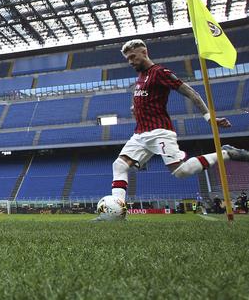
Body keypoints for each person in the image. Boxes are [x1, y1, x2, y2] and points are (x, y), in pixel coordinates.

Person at [105, 39, 249, 212]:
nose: (130, 61)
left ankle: (227, 153)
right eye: (128, 58)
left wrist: (210, 118)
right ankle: (116, 211)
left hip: (160, 132)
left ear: (144, 52)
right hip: (140, 134)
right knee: (119, 165)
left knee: (181, 171)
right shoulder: (141, 77)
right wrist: (135, 107)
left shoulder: (160, 72)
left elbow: (191, 92)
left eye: (133, 57)